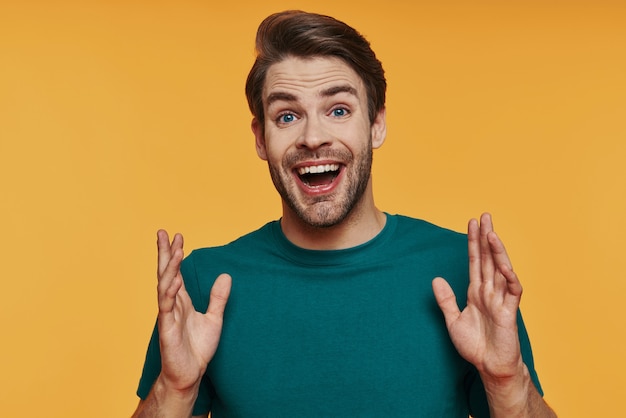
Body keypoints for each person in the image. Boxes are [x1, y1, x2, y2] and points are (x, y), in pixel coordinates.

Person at [132, 10, 556, 418]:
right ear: (261, 139)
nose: (313, 137)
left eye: (338, 110)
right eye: (287, 115)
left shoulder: (464, 273)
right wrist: (175, 388)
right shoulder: (204, 285)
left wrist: (506, 381)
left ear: (376, 125)